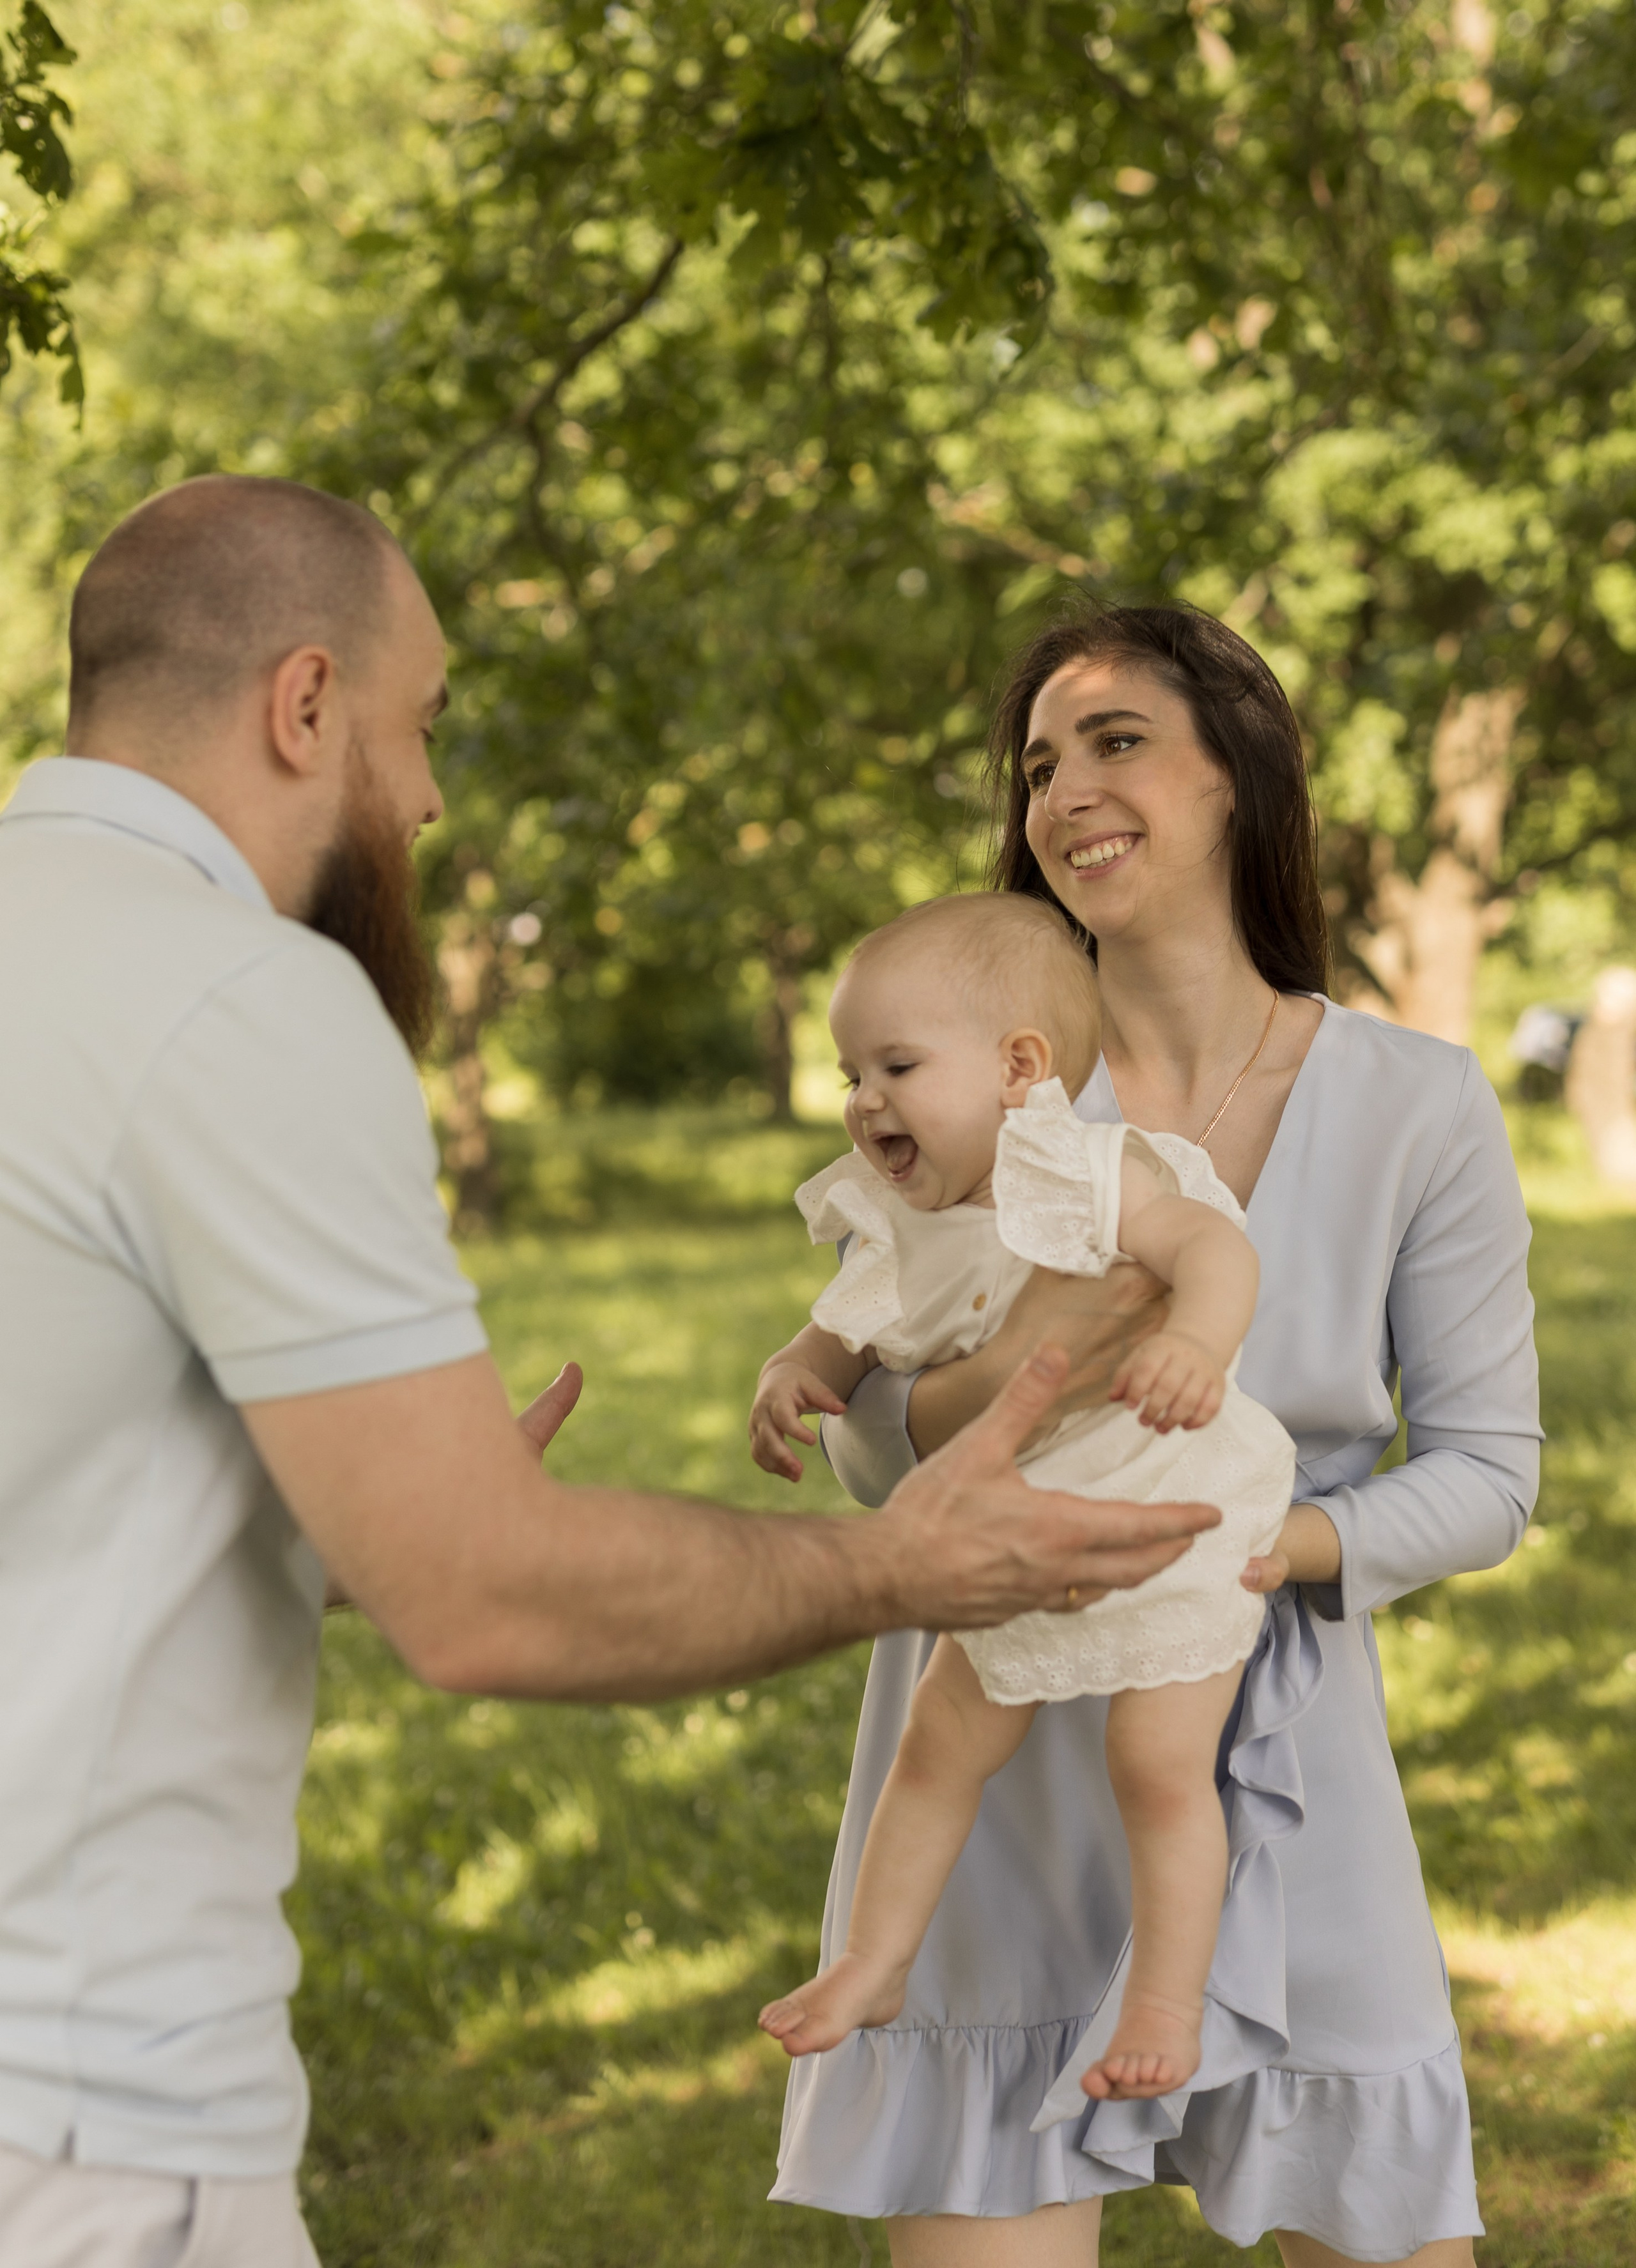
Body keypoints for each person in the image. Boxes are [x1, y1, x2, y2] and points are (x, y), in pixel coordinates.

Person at [0, 485, 1221, 2268]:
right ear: (307, 704)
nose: (425, 800)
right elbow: (491, 1605)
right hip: (84, 2118)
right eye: (420, 732)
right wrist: (903, 1564)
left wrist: (346, 1510)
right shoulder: (236, 996)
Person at [771, 605, 1541, 2268]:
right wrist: (1036, 1365)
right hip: (992, 1749)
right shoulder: (995, 1086)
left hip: (1270, 1729)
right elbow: (873, 1436)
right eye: (1040, 762)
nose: (1065, 790)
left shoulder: (1417, 1102)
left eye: (1114, 740)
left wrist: (1271, 1552)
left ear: (1239, 775)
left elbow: (1489, 1469)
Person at [750, 893, 1295, 2101]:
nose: (865, 1100)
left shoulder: (1095, 1171)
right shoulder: (895, 1218)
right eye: (851, 1072)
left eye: (896, 1065)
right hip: (1025, 1528)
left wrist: (1199, 1344)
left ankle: (1167, 1999)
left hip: (1171, 1503)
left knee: (1159, 1762)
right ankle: (875, 1963)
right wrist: (794, 1374)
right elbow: (840, 1336)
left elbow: (1216, 1249)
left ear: (1019, 1067)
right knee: (935, 1745)